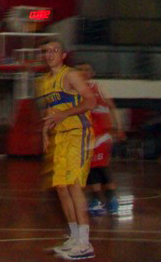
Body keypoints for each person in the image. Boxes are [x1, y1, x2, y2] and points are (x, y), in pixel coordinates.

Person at [36, 40, 96, 260]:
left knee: (74, 185)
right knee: (61, 187)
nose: (50, 54)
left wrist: (65, 115)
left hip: (78, 133)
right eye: (46, 51)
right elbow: (52, 112)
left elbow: (90, 101)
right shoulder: (44, 82)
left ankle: (85, 242)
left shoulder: (71, 75)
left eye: (55, 50)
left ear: (63, 56)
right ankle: (74, 236)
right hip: (60, 136)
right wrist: (45, 132)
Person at [76, 63, 124, 216]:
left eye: (87, 70)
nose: (83, 72)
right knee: (90, 168)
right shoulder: (75, 91)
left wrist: (119, 127)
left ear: (92, 73)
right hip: (86, 136)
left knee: (101, 166)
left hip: (102, 135)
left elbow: (112, 107)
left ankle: (111, 199)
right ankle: (96, 200)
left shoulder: (98, 88)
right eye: (80, 70)